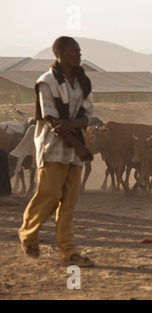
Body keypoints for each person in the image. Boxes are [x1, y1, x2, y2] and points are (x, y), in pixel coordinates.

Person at [18, 36, 95, 267]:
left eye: (79, 51)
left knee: (69, 204)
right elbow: (54, 122)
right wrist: (80, 144)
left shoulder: (83, 82)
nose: (78, 55)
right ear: (60, 54)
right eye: (74, 52)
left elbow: (87, 115)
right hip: (52, 148)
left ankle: (68, 252)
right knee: (49, 194)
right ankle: (28, 234)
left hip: (74, 151)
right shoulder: (46, 82)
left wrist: (74, 126)